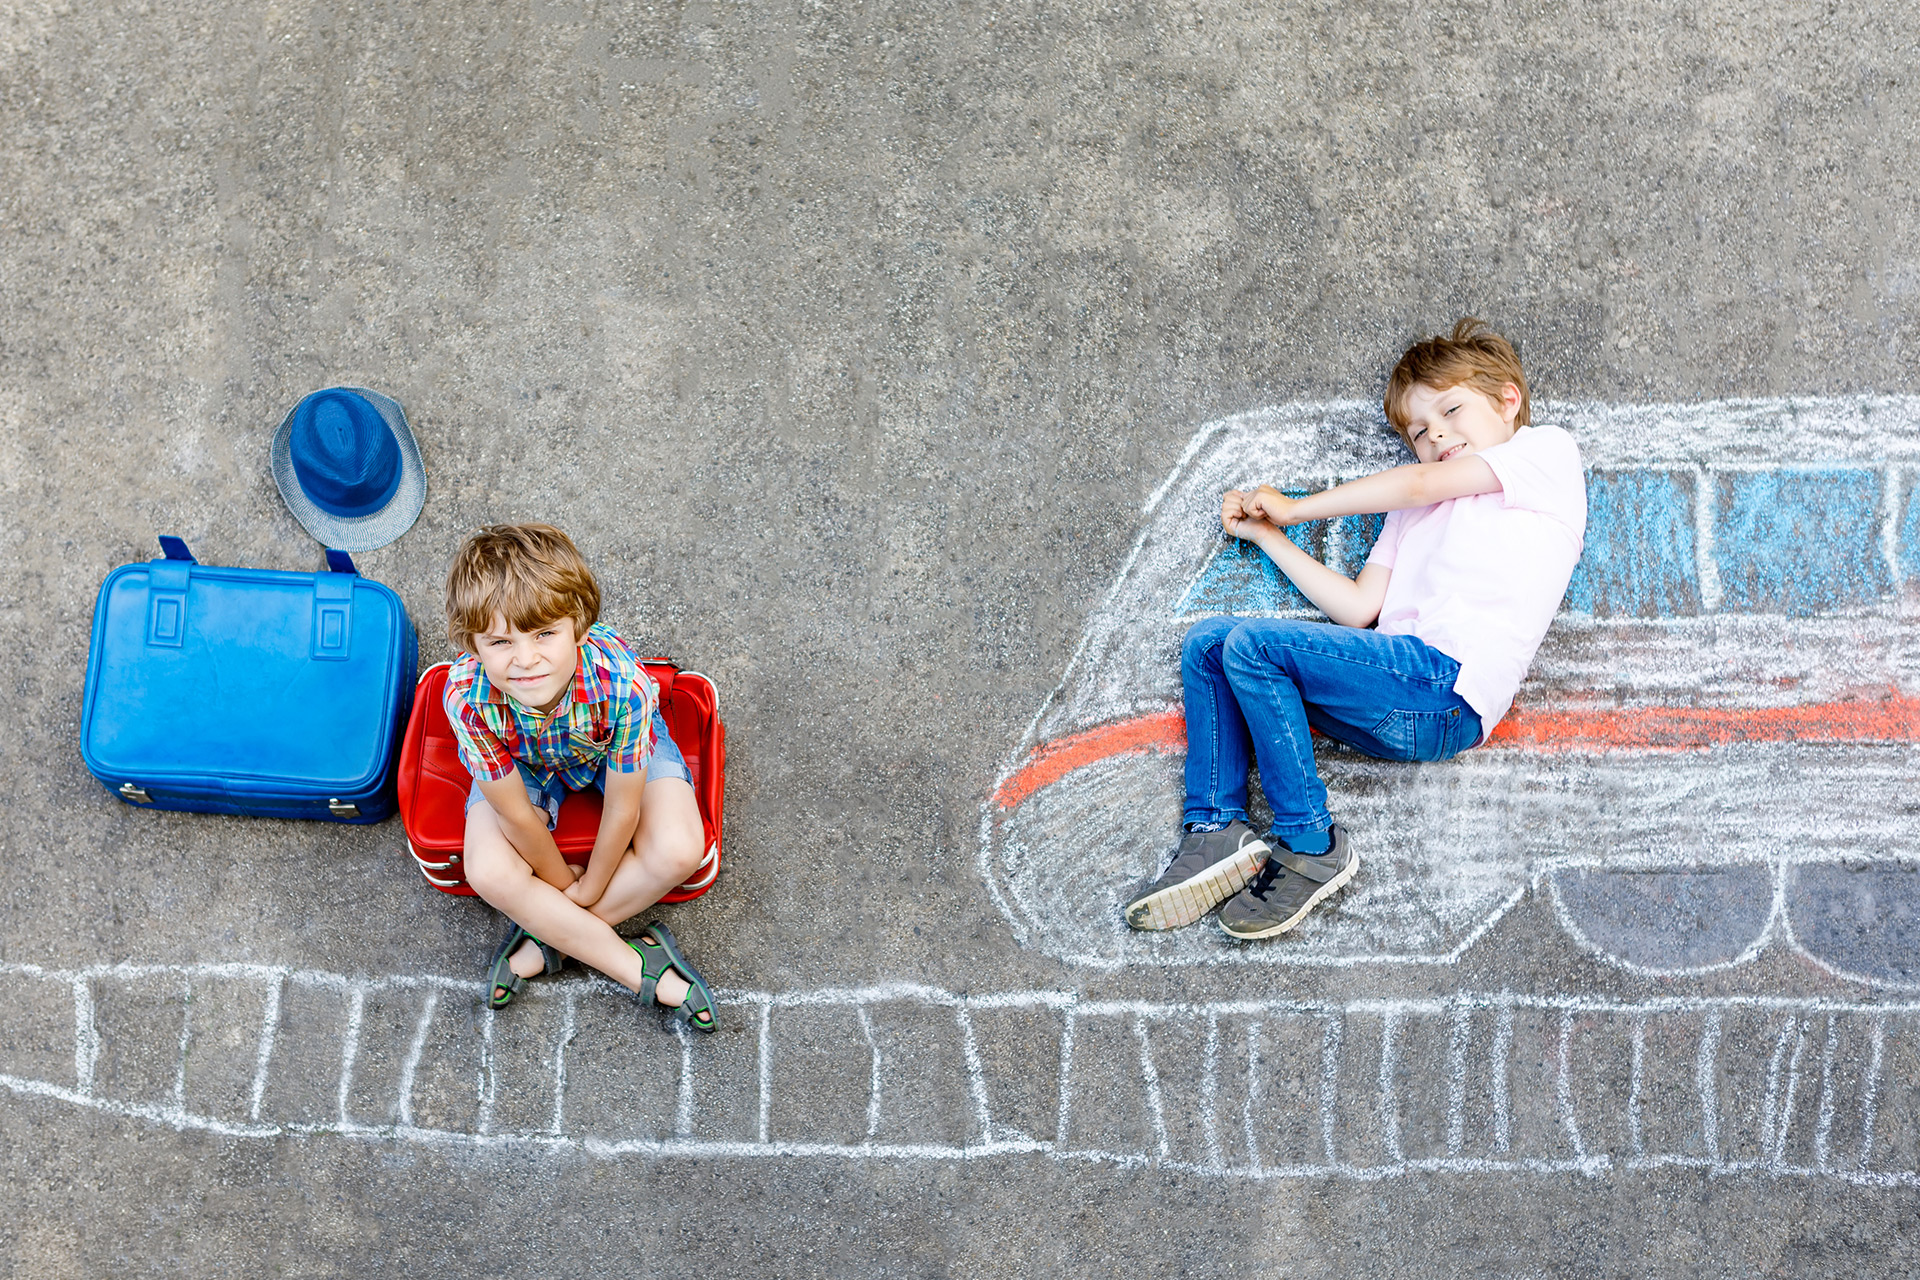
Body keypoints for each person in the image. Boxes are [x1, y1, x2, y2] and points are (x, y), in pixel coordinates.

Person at [1124, 319, 1587, 941]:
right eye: (1419, 432)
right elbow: (1356, 609)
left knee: (1255, 648)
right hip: (1390, 686)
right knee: (1212, 643)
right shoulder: (1413, 509)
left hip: (1447, 690)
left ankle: (1310, 842)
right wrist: (1269, 535)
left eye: (1452, 410)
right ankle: (1215, 831)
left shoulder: (1544, 454)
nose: (1437, 434)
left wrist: (1296, 506)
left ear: (1508, 401)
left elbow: (1419, 479)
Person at [443, 522, 718, 1031]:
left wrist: (587, 890)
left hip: (606, 746)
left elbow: (622, 806)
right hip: (521, 760)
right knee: (488, 871)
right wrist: (560, 879)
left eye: (545, 633)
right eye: (499, 641)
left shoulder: (623, 684)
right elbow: (513, 813)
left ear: (579, 626)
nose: (525, 660)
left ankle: (551, 941)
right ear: (473, 644)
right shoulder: (465, 694)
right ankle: (638, 968)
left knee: (681, 848)